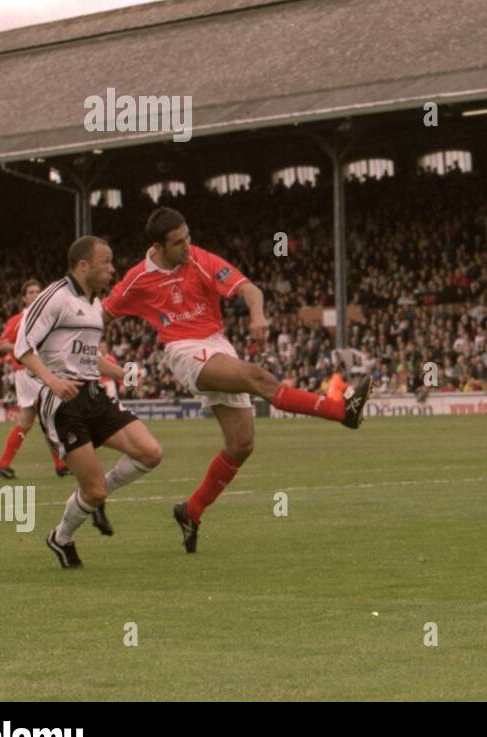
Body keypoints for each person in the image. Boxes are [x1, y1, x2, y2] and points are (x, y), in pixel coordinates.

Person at [101, 207, 370, 553]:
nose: (188, 246)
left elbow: (250, 289)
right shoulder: (137, 279)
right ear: (158, 246)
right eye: (179, 242)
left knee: (241, 444)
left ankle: (191, 511)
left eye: (188, 237)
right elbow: (102, 314)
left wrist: (257, 315)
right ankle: (342, 412)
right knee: (260, 379)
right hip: (184, 351)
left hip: (217, 343)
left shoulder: (199, 259)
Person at [16, 237, 165, 569]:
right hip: (62, 404)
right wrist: (53, 381)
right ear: (83, 265)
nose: (112, 269)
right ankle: (61, 537)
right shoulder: (54, 297)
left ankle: (95, 499)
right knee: (94, 491)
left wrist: (123, 373)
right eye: (106, 262)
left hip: (94, 395)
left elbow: (89, 359)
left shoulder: (94, 307)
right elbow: (23, 348)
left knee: (150, 452)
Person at [0, 278, 70, 478]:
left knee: (28, 420)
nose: (36, 295)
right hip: (28, 373)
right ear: (23, 298)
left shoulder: (48, 318)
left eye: (38, 291)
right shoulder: (20, 319)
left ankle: (3, 465)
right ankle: (61, 464)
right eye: (31, 292)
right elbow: (2, 344)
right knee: (52, 416)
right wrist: (24, 349)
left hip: (41, 371)